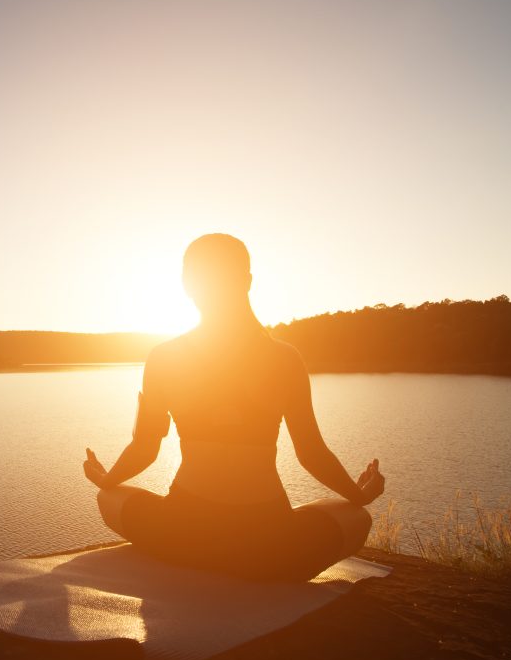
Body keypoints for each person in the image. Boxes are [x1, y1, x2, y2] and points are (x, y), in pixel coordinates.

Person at [83, 234, 385, 581]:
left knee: (108, 498)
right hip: (269, 546)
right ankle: (252, 563)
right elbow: (311, 453)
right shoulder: (284, 358)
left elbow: (145, 448)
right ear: (247, 281)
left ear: (187, 285)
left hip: (182, 535)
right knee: (357, 518)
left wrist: (106, 479)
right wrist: (358, 495)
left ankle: (201, 557)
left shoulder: (165, 358)